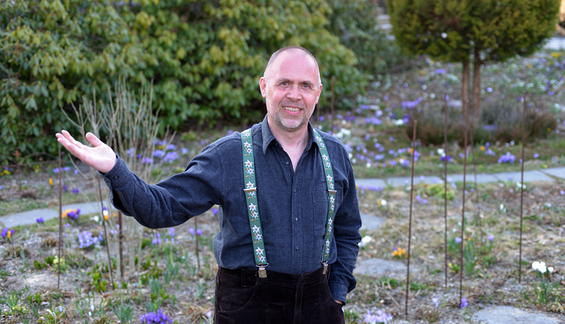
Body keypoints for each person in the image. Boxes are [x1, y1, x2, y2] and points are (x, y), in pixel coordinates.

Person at [56, 46, 362, 324]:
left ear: (317, 93)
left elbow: (347, 231)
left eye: (305, 86)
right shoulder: (229, 155)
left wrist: (336, 291)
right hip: (248, 307)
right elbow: (161, 208)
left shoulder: (334, 154)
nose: (295, 95)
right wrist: (114, 168)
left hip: (319, 307)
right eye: (284, 83)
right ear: (264, 87)